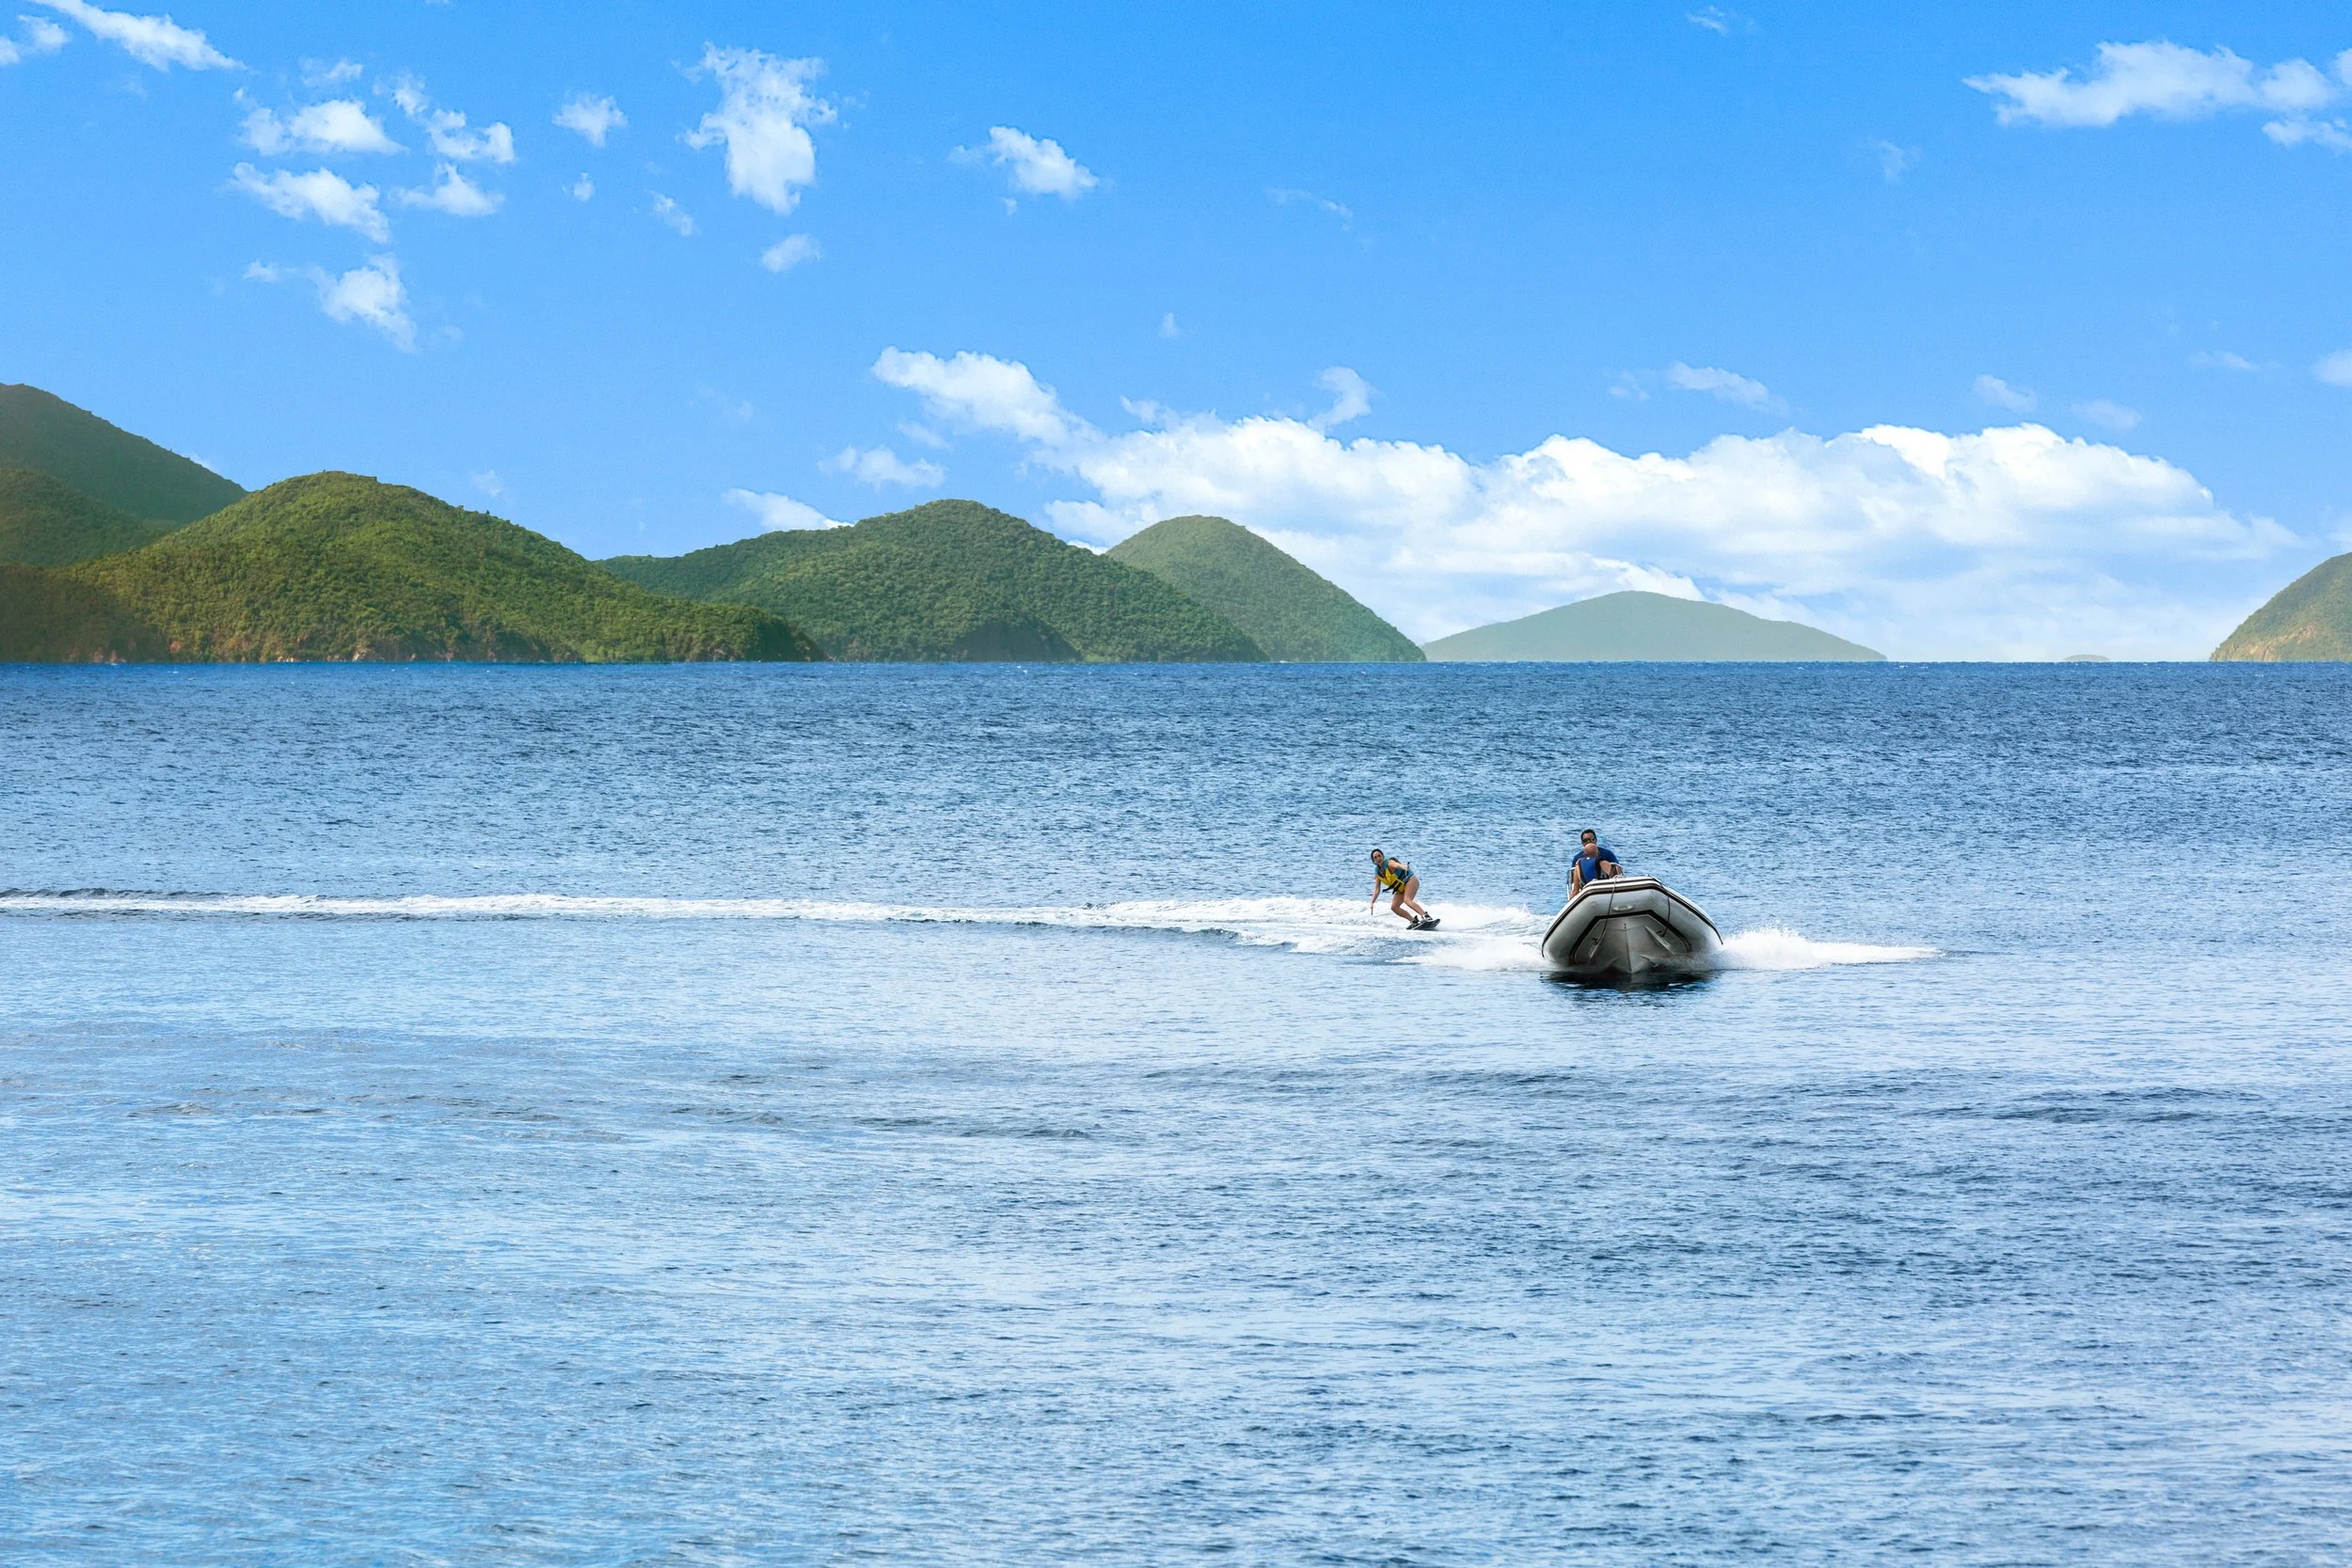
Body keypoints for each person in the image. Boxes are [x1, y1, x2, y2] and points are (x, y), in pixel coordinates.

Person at [1369, 847, 1434, 927]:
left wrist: (1405, 867)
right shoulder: (1377, 872)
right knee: (1394, 907)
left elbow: (1397, 865)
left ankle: (1426, 916)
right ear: (1373, 861)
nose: (1378, 858)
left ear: (1383, 856)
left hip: (1410, 880)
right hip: (1401, 887)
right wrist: (1372, 902)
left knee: (1407, 900)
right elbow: (1377, 889)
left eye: (1379, 856)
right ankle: (1414, 921)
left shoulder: (1389, 863)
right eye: (1375, 857)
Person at [1567, 829, 1622, 896]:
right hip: (1584, 888)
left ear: (1596, 840)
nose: (1589, 841)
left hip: (1606, 885)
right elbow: (1574, 883)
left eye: (1592, 839)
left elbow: (1617, 870)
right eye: (1586, 840)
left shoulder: (1607, 854)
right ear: (1582, 843)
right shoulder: (1577, 859)